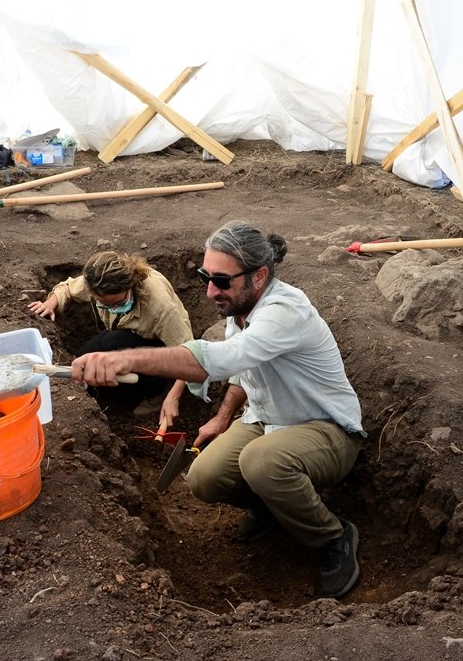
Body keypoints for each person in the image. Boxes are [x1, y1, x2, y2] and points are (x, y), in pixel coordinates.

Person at [71, 221, 366, 599]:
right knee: (205, 479)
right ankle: (276, 507)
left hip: (324, 429)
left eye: (222, 281)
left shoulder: (284, 311)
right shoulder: (239, 310)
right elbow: (246, 370)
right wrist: (223, 417)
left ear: (259, 276)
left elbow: (222, 359)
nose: (211, 291)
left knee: (262, 463)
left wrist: (125, 359)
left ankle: (332, 535)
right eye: (205, 277)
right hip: (266, 420)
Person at [28, 251, 192, 415]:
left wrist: (174, 397)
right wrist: (50, 303)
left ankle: (157, 394)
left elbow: (188, 354)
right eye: (104, 305)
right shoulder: (98, 282)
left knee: (114, 343)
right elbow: (68, 289)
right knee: (83, 358)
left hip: (162, 346)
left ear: (130, 287)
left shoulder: (160, 308)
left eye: (118, 303)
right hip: (123, 333)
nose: (112, 309)